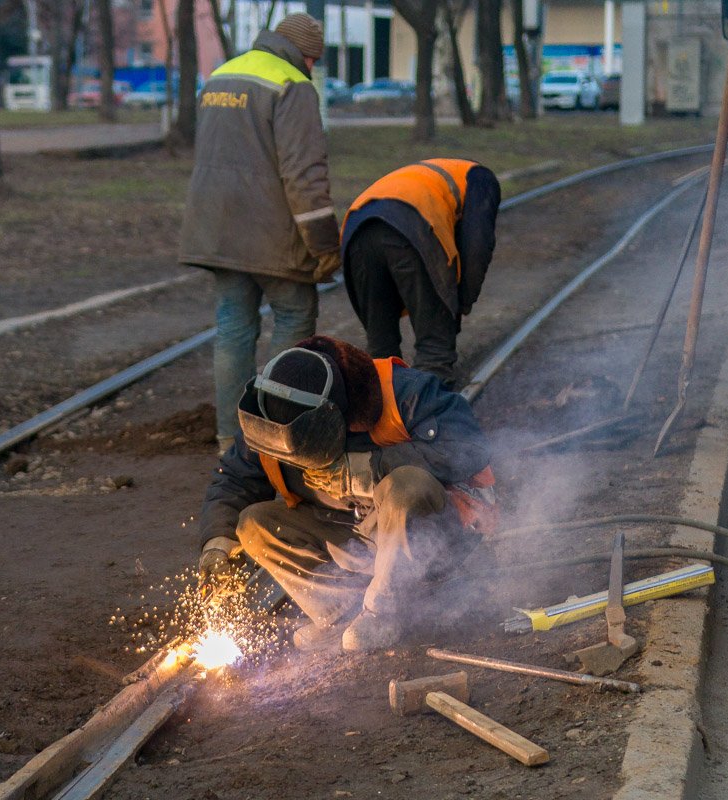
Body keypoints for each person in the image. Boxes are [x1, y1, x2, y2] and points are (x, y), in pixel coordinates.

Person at [196, 335, 497, 653]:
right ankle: (341, 616)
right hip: (353, 535)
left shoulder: (403, 392)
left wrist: (372, 467)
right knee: (253, 524)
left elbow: (469, 448)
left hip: (432, 538)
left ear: (333, 418)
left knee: (407, 485)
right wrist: (217, 545)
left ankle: (384, 615)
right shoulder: (269, 417)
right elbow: (234, 479)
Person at [179, 13, 342, 455]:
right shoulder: (293, 84)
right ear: (306, 55)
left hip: (217, 228)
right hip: (273, 235)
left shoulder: (221, 76)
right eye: (313, 60)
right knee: (295, 315)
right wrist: (324, 245)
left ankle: (231, 441)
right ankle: (275, 435)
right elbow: (305, 175)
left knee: (233, 327)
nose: (312, 67)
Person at [340, 159, 501, 387]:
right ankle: (428, 403)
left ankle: (382, 403)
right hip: (412, 224)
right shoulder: (481, 178)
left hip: (356, 230)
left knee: (380, 346)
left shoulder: (430, 175)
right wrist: (461, 301)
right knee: (434, 348)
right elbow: (477, 245)